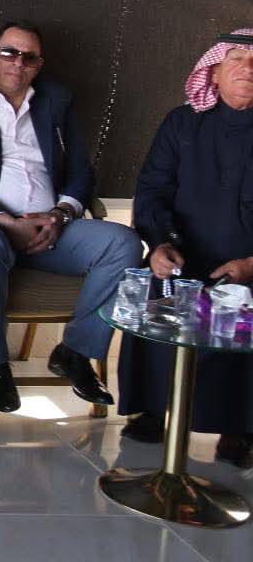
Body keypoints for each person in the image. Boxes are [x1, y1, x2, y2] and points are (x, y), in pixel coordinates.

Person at [0, 20, 140, 413]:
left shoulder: (56, 99)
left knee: (123, 244)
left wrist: (61, 213)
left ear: (39, 64)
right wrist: (8, 222)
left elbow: (81, 170)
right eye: (9, 53)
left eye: (29, 57)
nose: (18, 63)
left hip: (52, 228)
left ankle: (74, 352)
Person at [118, 29, 253, 469]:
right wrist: (159, 244)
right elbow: (153, 191)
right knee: (154, 286)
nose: (248, 70)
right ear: (213, 72)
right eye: (236, 59)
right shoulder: (181, 123)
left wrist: (251, 265)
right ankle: (154, 410)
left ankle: (241, 428)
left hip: (249, 265)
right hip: (182, 255)